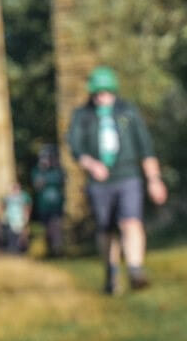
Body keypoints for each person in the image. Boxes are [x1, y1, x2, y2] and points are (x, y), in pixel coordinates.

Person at [67, 64, 168, 295]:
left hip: (128, 176)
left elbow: (146, 148)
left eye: (106, 92)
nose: (102, 97)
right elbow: (75, 148)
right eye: (98, 93)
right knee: (106, 228)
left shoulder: (128, 113)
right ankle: (111, 272)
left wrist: (154, 179)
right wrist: (92, 165)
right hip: (99, 182)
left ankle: (135, 269)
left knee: (130, 221)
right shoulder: (82, 116)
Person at [31, 143, 67, 258]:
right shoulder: (37, 171)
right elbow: (37, 186)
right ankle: (49, 250)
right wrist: (42, 170)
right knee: (47, 229)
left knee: (56, 226)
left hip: (56, 205)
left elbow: (64, 183)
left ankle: (57, 250)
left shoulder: (58, 170)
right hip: (44, 205)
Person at [2, 182, 32, 255]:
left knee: (21, 236)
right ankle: (12, 250)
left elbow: (28, 206)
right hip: (10, 220)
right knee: (11, 236)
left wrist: (26, 216)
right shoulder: (8, 197)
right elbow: (3, 206)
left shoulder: (24, 197)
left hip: (20, 220)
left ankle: (20, 251)